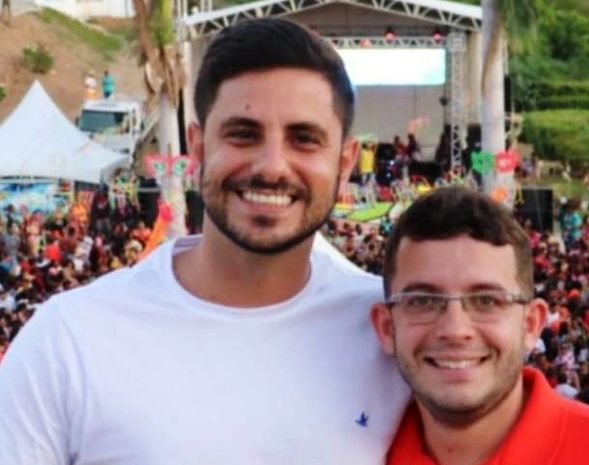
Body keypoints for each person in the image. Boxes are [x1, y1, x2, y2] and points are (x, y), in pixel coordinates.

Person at [0, 18, 410, 464]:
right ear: (197, 147)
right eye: (243, 134)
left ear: (345, 162)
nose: (272, 166)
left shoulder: (396, 332)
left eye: (304, 139)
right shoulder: (69, 340)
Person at [370, 186, 589, 465]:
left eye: (486, 301)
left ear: (531, 324)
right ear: (386, 328)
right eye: (423, 301)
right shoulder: (356, 452)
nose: (455, 330)